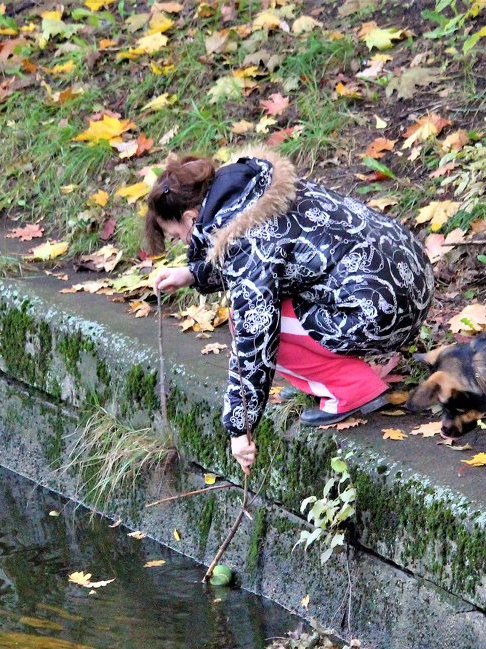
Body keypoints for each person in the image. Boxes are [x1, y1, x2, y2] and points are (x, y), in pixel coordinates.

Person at [147, 147, 433, 474]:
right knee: (266, 308)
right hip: (411, 281)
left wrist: (239, 427)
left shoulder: (243, 235)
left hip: (384, 311)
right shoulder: (252, 190)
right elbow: (266, 259)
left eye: (176, 235)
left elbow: (254, 339)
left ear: (190, 218)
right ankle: (351, 366)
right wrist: (194, 274)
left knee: (251, 325)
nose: (182, 242)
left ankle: (352, 388)